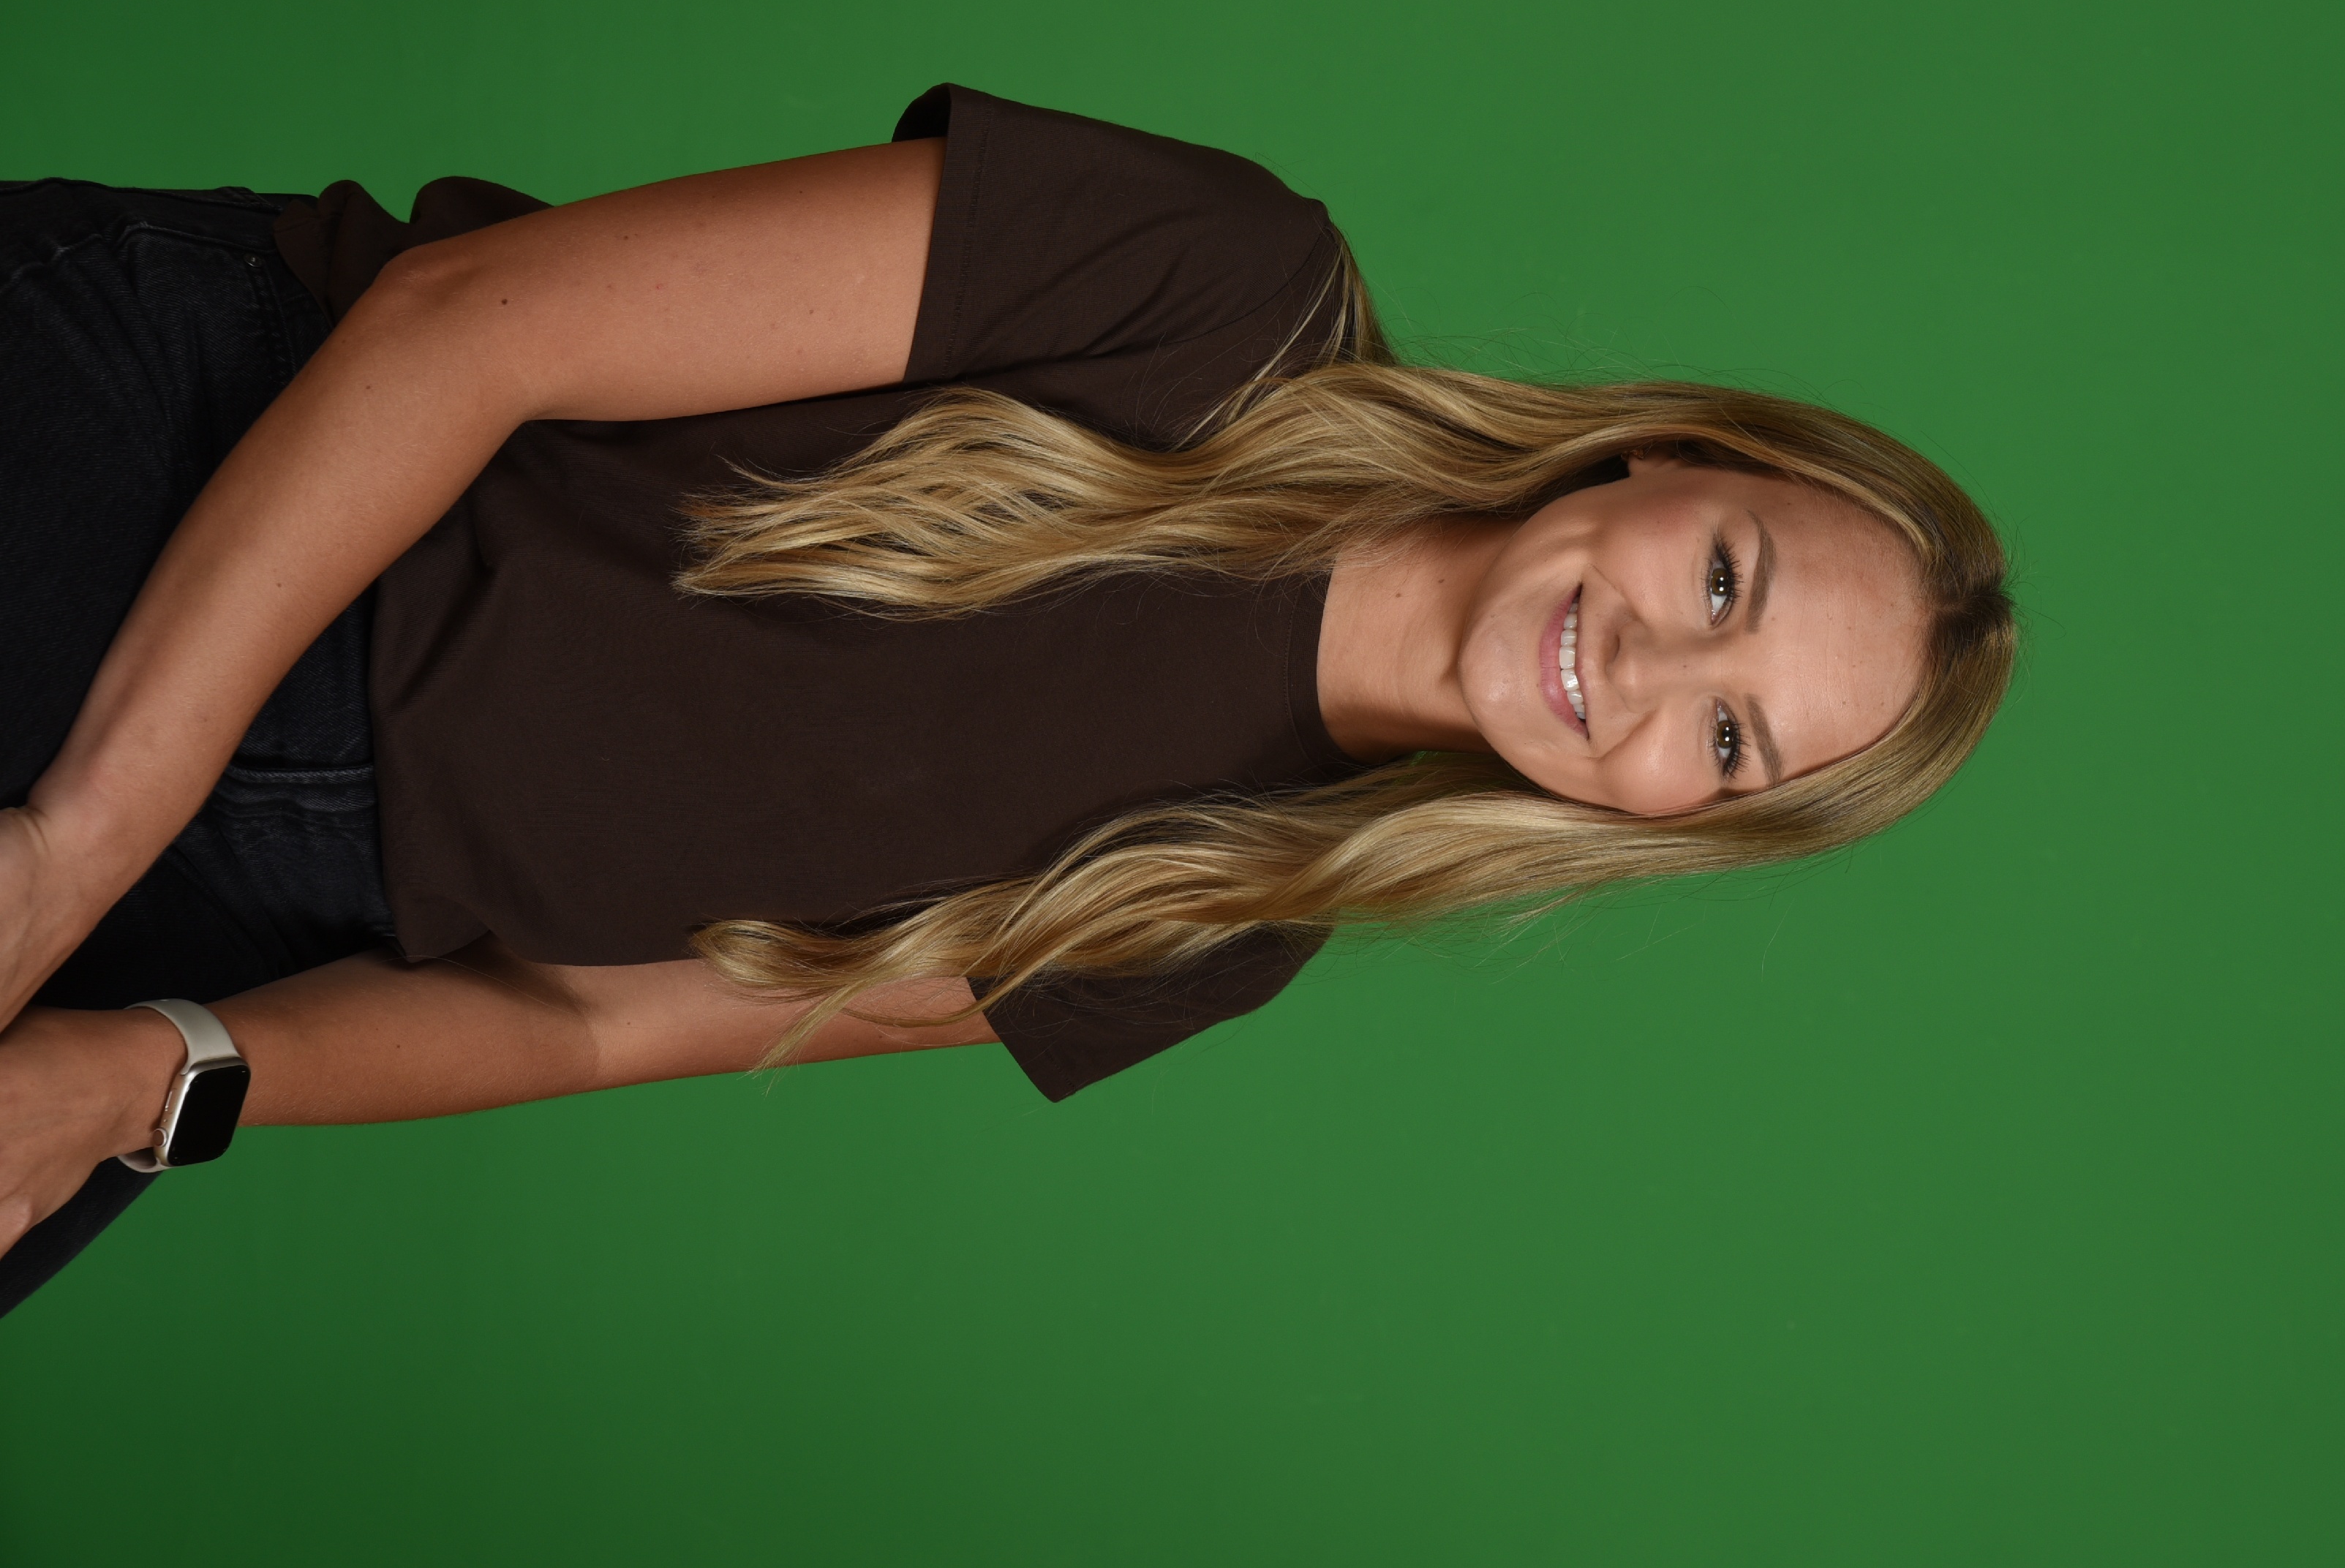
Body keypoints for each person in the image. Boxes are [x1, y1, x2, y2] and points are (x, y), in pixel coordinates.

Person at [0, 85, 2014, 1311]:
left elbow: (602, 1019)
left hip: (242, 903)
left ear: (1678, 823)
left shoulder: (1220, 920)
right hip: (188, 464)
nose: (1653, 669)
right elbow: (470, 327)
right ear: (1665, 459)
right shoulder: (1232, 288)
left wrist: (148, 1074)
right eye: (1723, 581)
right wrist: (74, 850)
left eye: (1729, 739)